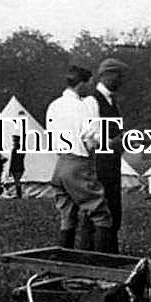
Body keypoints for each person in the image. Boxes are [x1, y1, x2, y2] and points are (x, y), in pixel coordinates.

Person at [45, 65, 114, 251]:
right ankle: (103, 263)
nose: (90, 88)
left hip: (60, 164)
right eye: (89, 83)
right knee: (101, 213)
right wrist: (110, 142)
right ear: (81, 84)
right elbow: (91, 138)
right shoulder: (82, 107)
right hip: (78, 163)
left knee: (67, 216)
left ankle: (64, 260)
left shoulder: (53, 106)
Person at [82, 58, 129, 253]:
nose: (121, 81)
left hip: (112, 163)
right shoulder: (92, 101)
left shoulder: (114, 103)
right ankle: (95, 254)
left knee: (113, 208)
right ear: (106, 76)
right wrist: (111, 142)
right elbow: (88, 133)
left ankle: (109, 252)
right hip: (97, 163)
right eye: (118, 76)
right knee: (98, 210)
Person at [8, 112, 27, 198]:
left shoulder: (15, 149)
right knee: (17, 181)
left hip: (17, 168)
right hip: (20, 167)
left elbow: (13, 160)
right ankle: (19, 194)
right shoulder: (21, 148)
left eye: (14, 141)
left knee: (17, 181)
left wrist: (10, 169)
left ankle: (19, 194)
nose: (14, 142)